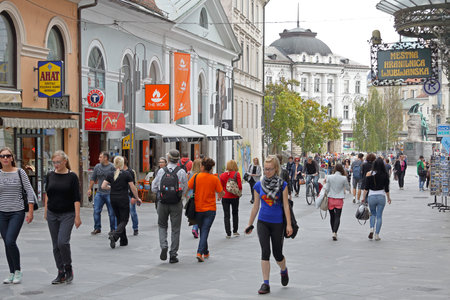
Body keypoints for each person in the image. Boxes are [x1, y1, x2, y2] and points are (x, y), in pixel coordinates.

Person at [245, 155, 292, 295]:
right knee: (265, 252)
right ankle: (266, 283)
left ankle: (283, 270)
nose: (267, 172)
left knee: (278, 254)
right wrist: (249, 224)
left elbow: (285, 206)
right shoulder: (258, 185)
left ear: (276, 169)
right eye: (265, 169)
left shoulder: (282, 185)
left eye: (270, 169)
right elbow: (255, 207)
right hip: (263, 222)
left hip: (277, 223)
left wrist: (289, 225)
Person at [44, 150, 81, 284]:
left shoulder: (72, 177)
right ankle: (61, 272)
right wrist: (46, 210)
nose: (56, 165)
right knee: (55, 245)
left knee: (62, 242)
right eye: (54, 162)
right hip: (52, 213)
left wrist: (77, 216)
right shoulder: (50, 175)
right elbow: (47, 193)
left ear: (65, 161)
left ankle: (68, 267)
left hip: (68, 213)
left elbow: (76, 198)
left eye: (58, 162)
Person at [0, 147, 36, 284]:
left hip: (17, 211)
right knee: (6, 243)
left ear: (12, 158)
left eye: (8, 156)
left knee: (10, 240)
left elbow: (29, 191)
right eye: (2, 156)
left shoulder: (20, 172)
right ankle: (11, 272)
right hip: (1, 213)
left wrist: (30, 211)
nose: (5, 158)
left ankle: (18, 271)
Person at [151, 150, 187, 264]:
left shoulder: (161, 171)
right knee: (175, 229)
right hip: (176, 203)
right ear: (178, 159)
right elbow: (185, 188)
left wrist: (160, 193)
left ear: (168, 158)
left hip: (163, 202)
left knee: (162, 225)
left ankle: (163, 245)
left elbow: (153, 187)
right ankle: (173, 254)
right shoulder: (181, 171)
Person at [188, 158, 224, 262]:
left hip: (198, 209)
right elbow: (221, 192)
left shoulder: (196, 176)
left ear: (202, 167)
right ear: (211, 168)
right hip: (210, 209)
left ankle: (205, 251)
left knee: (203, 230)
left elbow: (189, 187)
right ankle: (200, 252)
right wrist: (220, 195)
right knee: (205, 230)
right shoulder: (214, 179)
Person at [102, 156, 141, 249]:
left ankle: (123, 240)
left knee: (119, 218)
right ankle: (115, 236)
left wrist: (111, 187)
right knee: (125, 219)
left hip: (113, 198)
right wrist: (137, 197)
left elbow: (103, 186)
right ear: (122, 164)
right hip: (123, 198)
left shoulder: (110, 174)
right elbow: (132, 187)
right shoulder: (126, 174)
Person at [363, 158, 392, 241]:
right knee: (379, 216)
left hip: (371, 196)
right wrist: (389, 198)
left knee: (372, 214)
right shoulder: (385, 175)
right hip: (381, 196)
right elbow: (386, 189)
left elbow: (366, 188)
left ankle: (371, 228)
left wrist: (363, 197)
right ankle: (377, 234)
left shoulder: (369, 174)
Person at [87, 152, 116, 235]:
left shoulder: (112, 167)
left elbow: (116, 178)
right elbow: (93, 178)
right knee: (96, 211)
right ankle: (97, 228)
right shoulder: (97, 167)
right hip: (99, 193)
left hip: (109, 193)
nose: (99, 159)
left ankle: (113, 229)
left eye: (100, 157)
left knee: (111, 212)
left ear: (105, 158)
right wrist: (89, 189)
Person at [324, 164, 350, 241]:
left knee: (332, 216)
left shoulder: (329, 177)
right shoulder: (344, 178)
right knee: (338, 216)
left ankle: (333, 231)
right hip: (339, 199)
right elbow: (348, 188)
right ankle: (335, 232)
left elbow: (327, 188)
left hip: (331, 198)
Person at [219, 160, 242, 239]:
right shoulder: (237, 174)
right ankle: (235, 231)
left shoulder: (222, 175)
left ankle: (228, 233)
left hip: (225, 197)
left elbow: (221, 187)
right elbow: (240, 186)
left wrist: (220, 195)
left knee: (226, 215)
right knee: (235, 213)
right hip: (235, 197)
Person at [123, 157, 139, 235]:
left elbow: (135, 184)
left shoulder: (131, 171)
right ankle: (120, 228)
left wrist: (134, 196)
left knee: (132, 212)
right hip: (121, 195)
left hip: (129, 194)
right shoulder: (117, 171)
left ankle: (135, 228)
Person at [187, 159, 202, 238]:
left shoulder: (191, 173)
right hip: (200, 196)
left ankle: (194, 227)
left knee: (194, 212)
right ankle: (196, 227)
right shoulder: (202, 174)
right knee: (200, 213)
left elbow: (188, 186)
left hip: (191, 196)